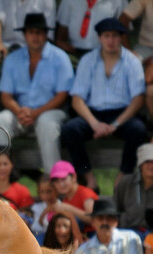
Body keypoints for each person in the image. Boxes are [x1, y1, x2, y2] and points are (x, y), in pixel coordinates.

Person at [61, 17, 146, 191]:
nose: (111, 40)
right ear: (100, 37)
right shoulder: (88, 60)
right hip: (93, 114)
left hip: (122, 114)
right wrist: (94, 123)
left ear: (121, 37)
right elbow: (77, 98)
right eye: (106, 36)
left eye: (115, 36)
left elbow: (138, 99)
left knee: (138, 130)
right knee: (71, 129)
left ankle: (123, 177)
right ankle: (88, 178)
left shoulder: (132, 61)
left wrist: (115, 124)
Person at [0, 13, 73, 173]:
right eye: (31, 32)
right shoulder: (13, 58)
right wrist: (19, 111)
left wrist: (36, 112)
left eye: (39, 32)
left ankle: (53, 177)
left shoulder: (60, 58)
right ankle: (3, 174)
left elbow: (62, 95)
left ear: (46, 34)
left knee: (47, 123)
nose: (35, 36)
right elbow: (6, 95)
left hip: (51, 112)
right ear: (25, 35)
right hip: (21, 113)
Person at [0, 0, 57, 118]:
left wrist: (35, 50)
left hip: (34, 48)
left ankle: (29, 112)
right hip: (5, 45)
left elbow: (47, 32)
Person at [56, 0, 127, 57]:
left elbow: (123, 29)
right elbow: (63, 27)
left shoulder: (118, 1)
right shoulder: (68, 1)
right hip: (74, 50)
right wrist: (62, 44)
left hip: (103, 53)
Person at [115, 143, 153, 231]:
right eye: (147, 161)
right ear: (140, 164)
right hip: (127, 232)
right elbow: (115, 209)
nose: (151, 166)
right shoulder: (126, 182)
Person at [48, 160, 99, 226]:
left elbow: (94, 218)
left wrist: (69, 209)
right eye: (56, 181)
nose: (60, 184)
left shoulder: (85, 193)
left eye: (63, 179)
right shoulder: (66, 200)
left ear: (74, 177)